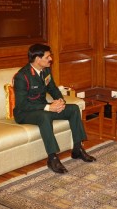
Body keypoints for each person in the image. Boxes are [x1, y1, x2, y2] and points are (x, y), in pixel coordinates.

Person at [13, 43, 96, 174]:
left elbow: (52, 88)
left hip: (43, 108)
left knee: (73, 109)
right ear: (37, 59)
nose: (50, 59)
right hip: (25, 113)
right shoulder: (22, 77)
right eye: (47, 57)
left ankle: (77, 149)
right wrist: (47, 107)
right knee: (44, 116)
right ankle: (52, 158)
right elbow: (22, 105)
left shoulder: (46, 70)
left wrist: (60, 101)